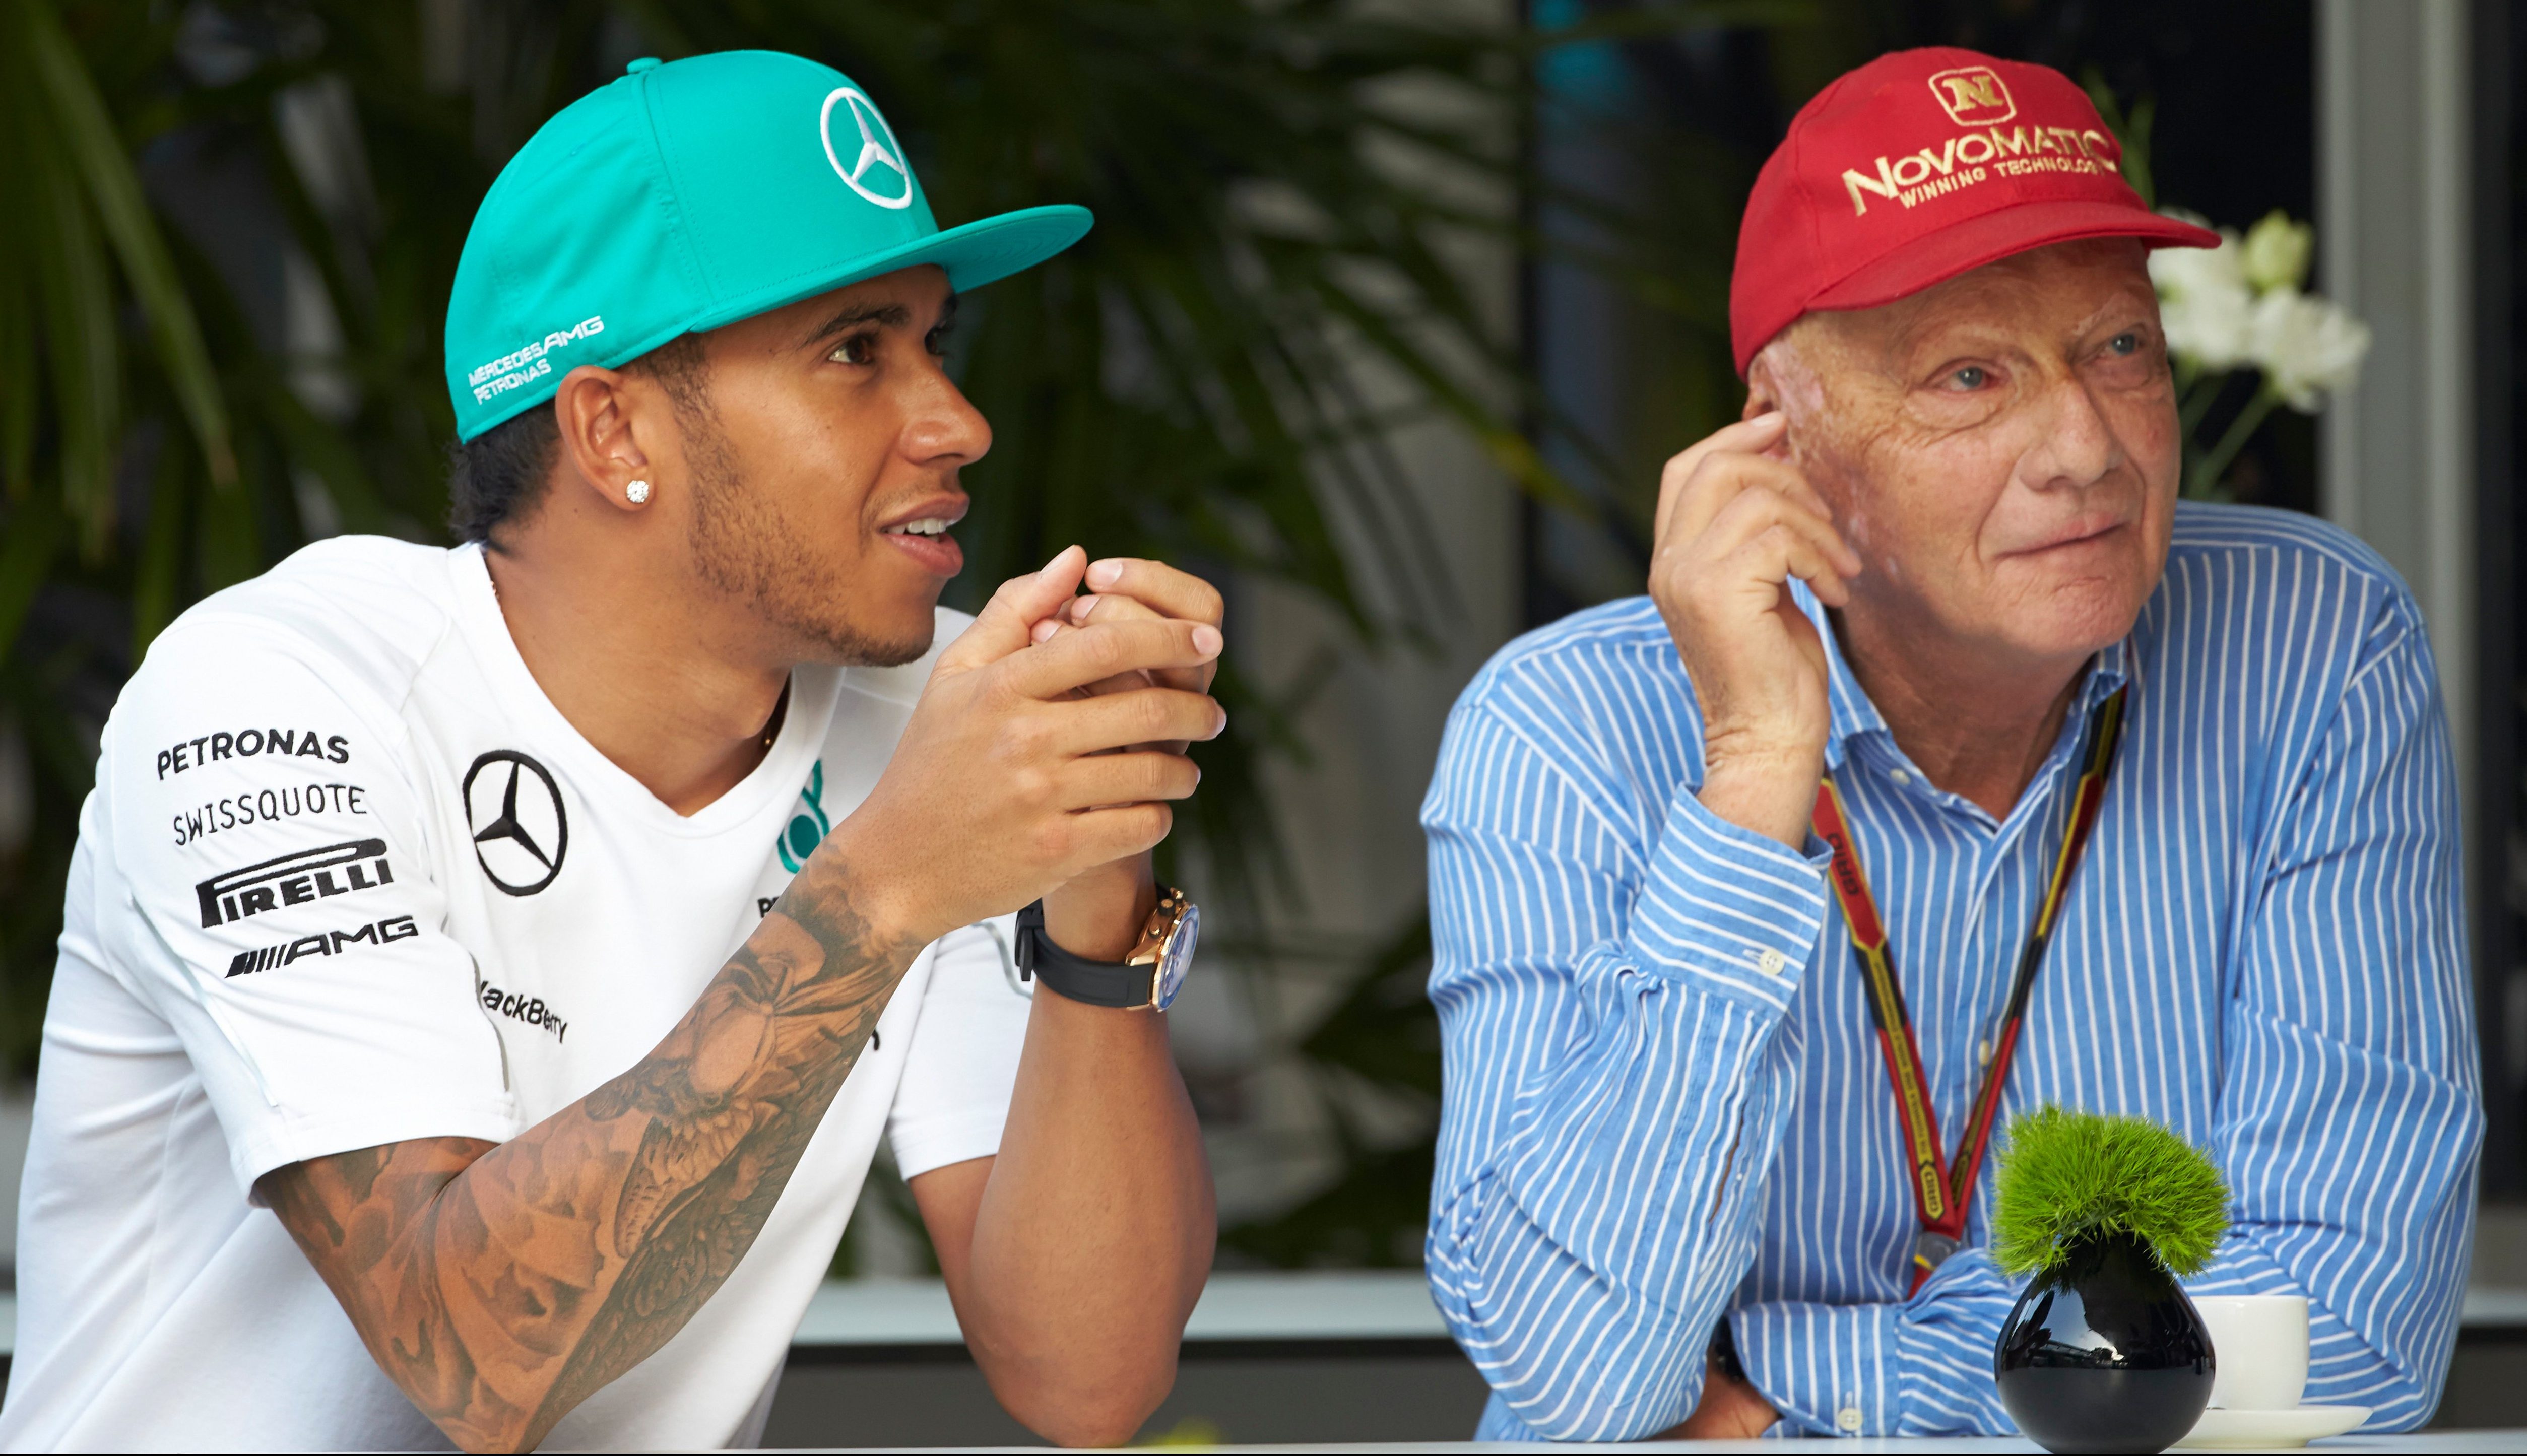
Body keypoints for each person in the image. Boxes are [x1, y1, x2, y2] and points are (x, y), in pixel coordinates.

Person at [2, 50, 1222, 1452]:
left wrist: (1096, 885)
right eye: (855, 351)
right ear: (613, 427)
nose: (960, 423)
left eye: (936, 344)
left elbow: (1086, 1380)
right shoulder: (275, 694)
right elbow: (468, 1356)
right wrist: (885, 884)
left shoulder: (939, 717)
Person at [1422, 47, 2479, 1442]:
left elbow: (2350, 1329)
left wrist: (1798, 1385)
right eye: (1971, 376)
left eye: (2119, 348)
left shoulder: (2316, 646)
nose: (2085, 448)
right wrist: (1754, 769)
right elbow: (1576, 1377)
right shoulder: (1562, 731)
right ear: (1782, 447)